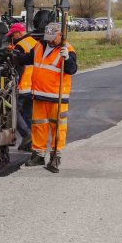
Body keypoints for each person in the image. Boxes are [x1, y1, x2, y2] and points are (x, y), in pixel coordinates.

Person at [24, 22, 77, 173]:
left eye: (53, 38)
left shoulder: (68, 49)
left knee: (58, 128)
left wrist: (67, 58)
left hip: (57, 96)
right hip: (39, 94)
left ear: (61, 35)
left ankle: (55, 156)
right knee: (38, 126)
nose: (50, 41)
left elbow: (72, 69)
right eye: (48, 37)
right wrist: (15, 56)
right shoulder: (40, 45)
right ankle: (38, 155)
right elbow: (28, 59)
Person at [4, 22, 37, 151]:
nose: (12, 37)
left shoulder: (20, 46)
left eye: (13, 35)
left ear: (18, 33)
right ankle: (33, 141)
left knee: (13, 111)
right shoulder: (34, 42)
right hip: (34, 85)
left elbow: (19, 67)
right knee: (28, 114)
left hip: (23, 85)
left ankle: (26, 134)